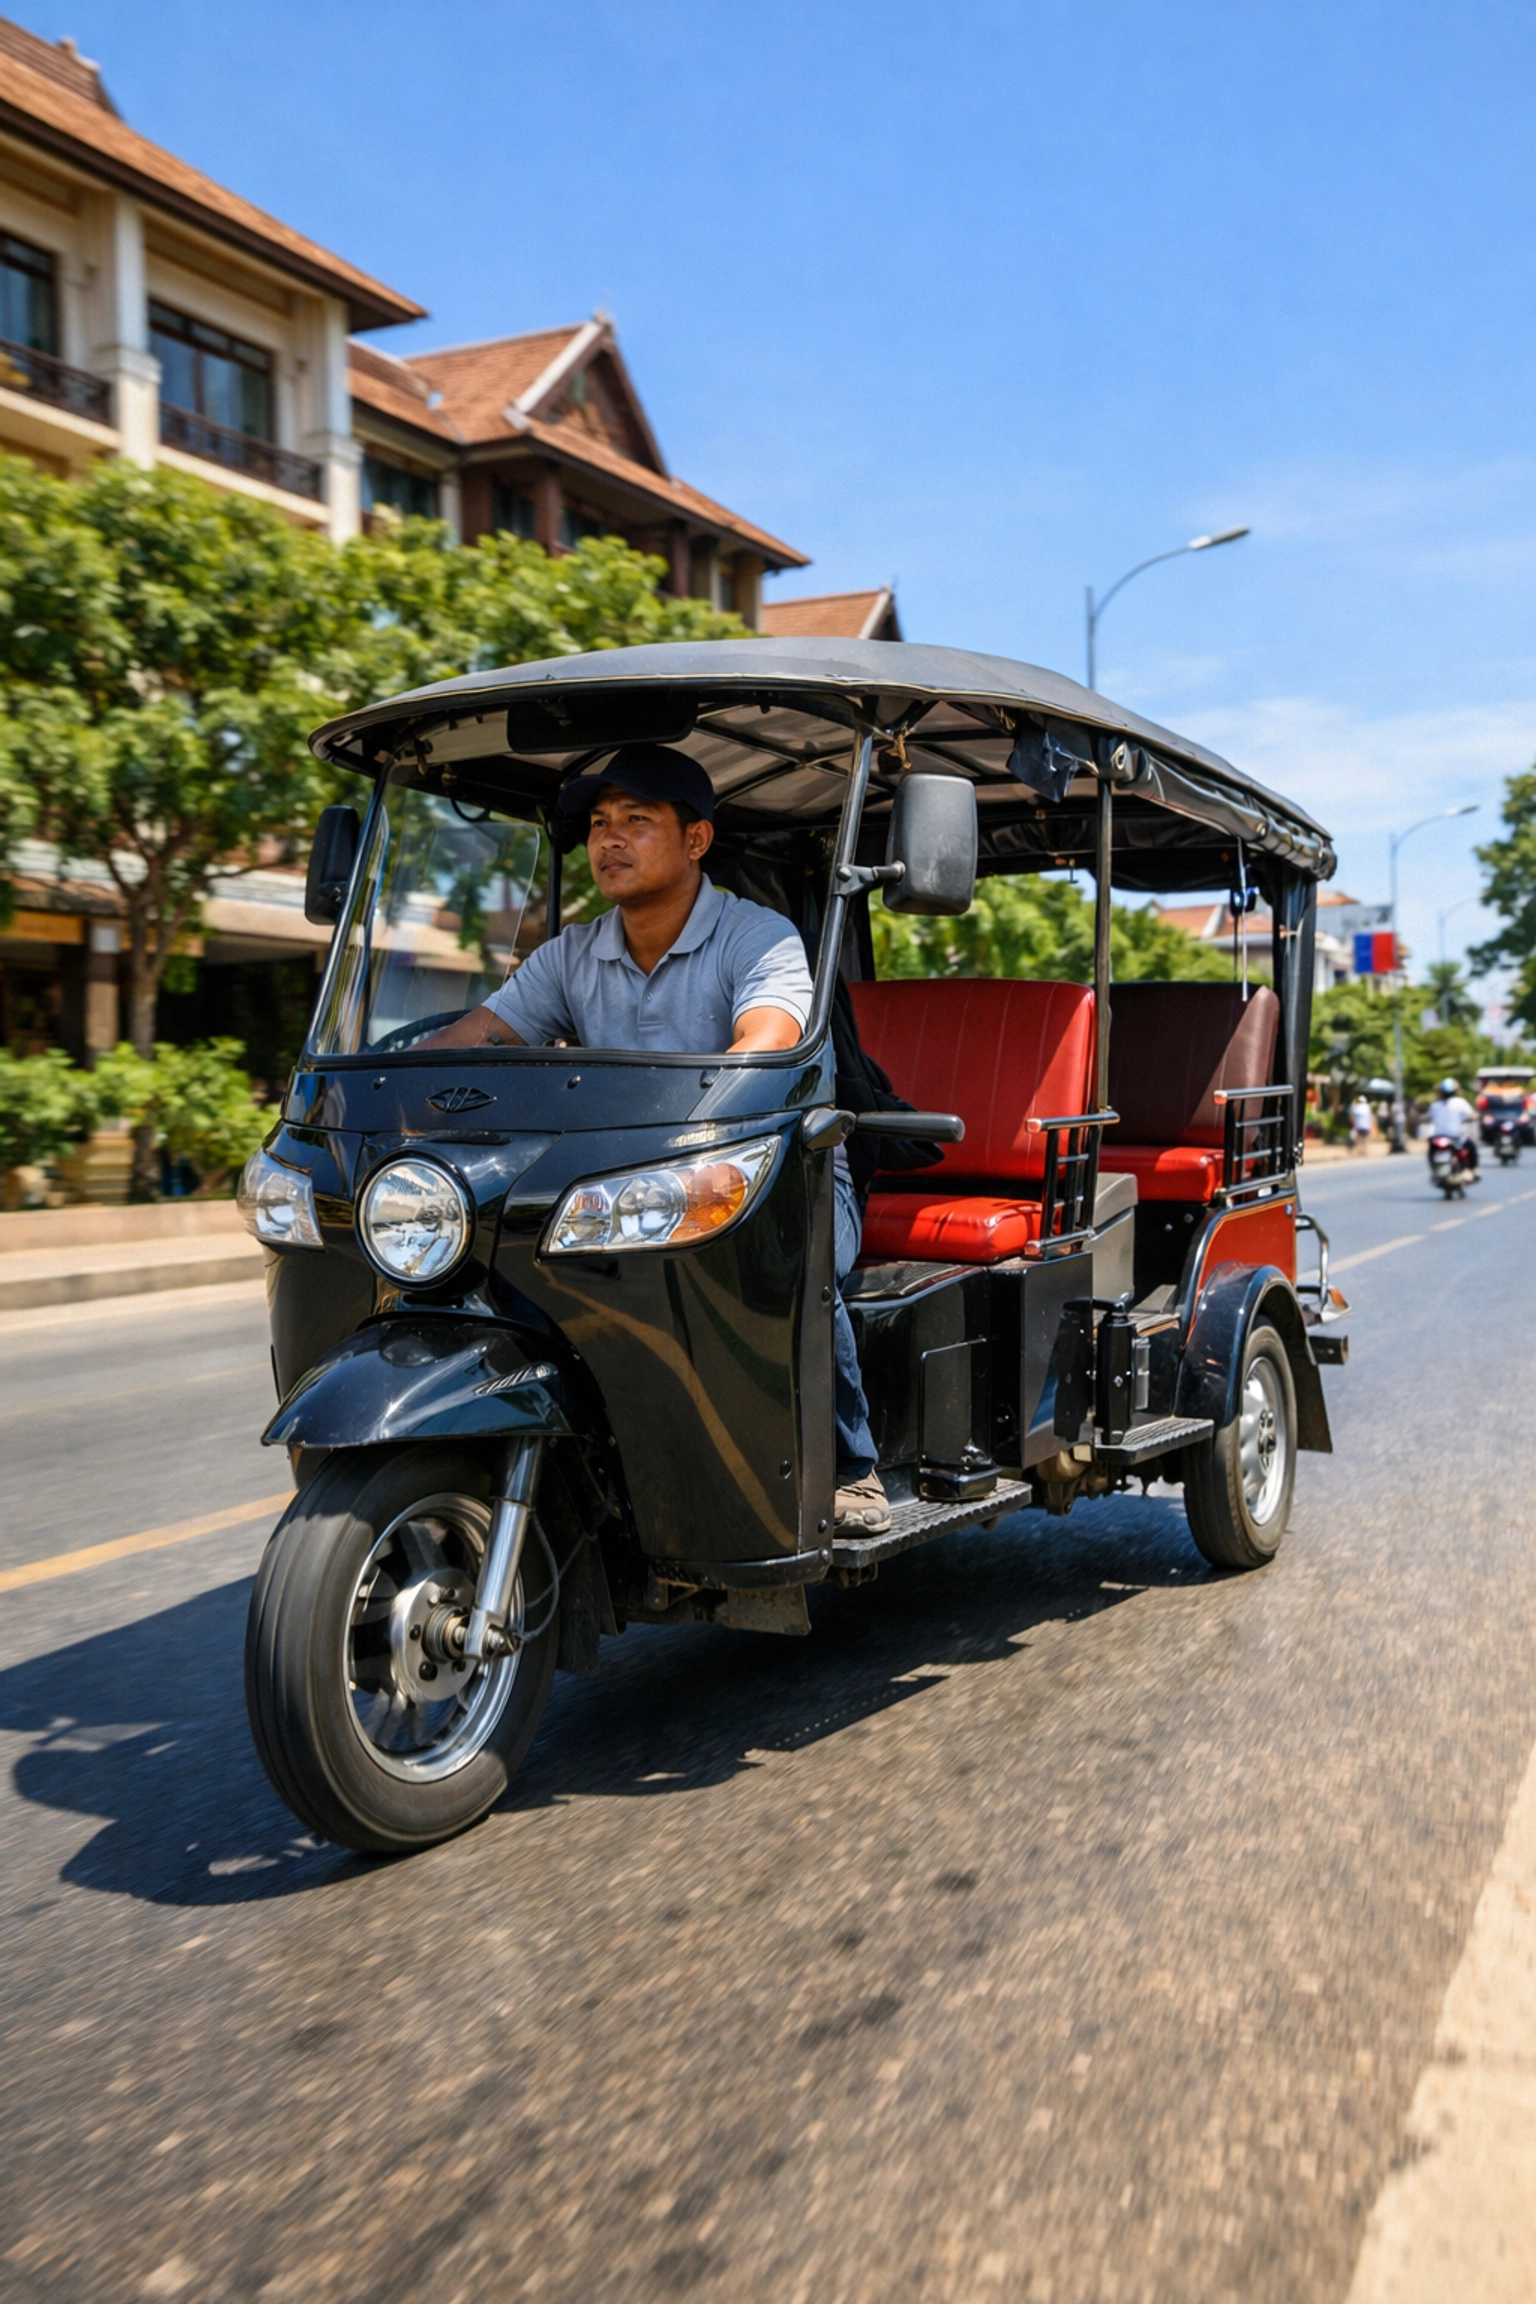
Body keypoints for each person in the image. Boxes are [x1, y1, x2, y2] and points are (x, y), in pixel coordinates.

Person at [425, 742, 893, 1536]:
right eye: (600, 823)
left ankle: (853, 1469)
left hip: (781, 1170)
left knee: (797, 1263)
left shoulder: (760, 937)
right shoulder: (573, 953)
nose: (609, 839)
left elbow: (768, 1042)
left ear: (698, 840)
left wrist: (704, 1125)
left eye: (636, 821)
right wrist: (398, 1078)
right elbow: (482, 1032)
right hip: (621, 1185)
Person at [1427, 1076, 1479, 1174]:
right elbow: (1471, 1115)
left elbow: (1429, 1117)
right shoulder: (1460, 1102)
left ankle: (1433, 1170)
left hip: (1437, 1137)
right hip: (1454, 1137)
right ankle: (1473, 1170)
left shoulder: (1435, 1104)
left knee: (1430, 1150)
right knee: (1471, 1146)